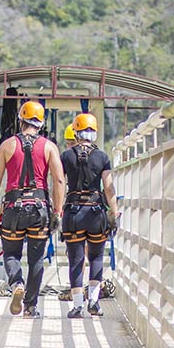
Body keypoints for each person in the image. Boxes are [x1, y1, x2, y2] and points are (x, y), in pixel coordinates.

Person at [0, 100, 65, 318]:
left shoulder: (7, 145)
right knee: (36, 259)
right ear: (41, 123)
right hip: (39, 209)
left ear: (20, 120)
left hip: (13, 208)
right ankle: (31, 306)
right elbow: (59, 181)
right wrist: (57, 212)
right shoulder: (49, 147)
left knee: (11, 253)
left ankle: (16, 283)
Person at [59, 113, 118, 319]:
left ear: (76, 132)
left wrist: (57, 210)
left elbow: (59, 184)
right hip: (96, 213)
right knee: (96, 257)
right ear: (95, 132)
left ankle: (77, 307)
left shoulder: (66, 156)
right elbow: (108, 188)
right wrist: (114, 212)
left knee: (76, 260)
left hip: (73, 212)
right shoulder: (102, 157)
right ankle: (93, 302)